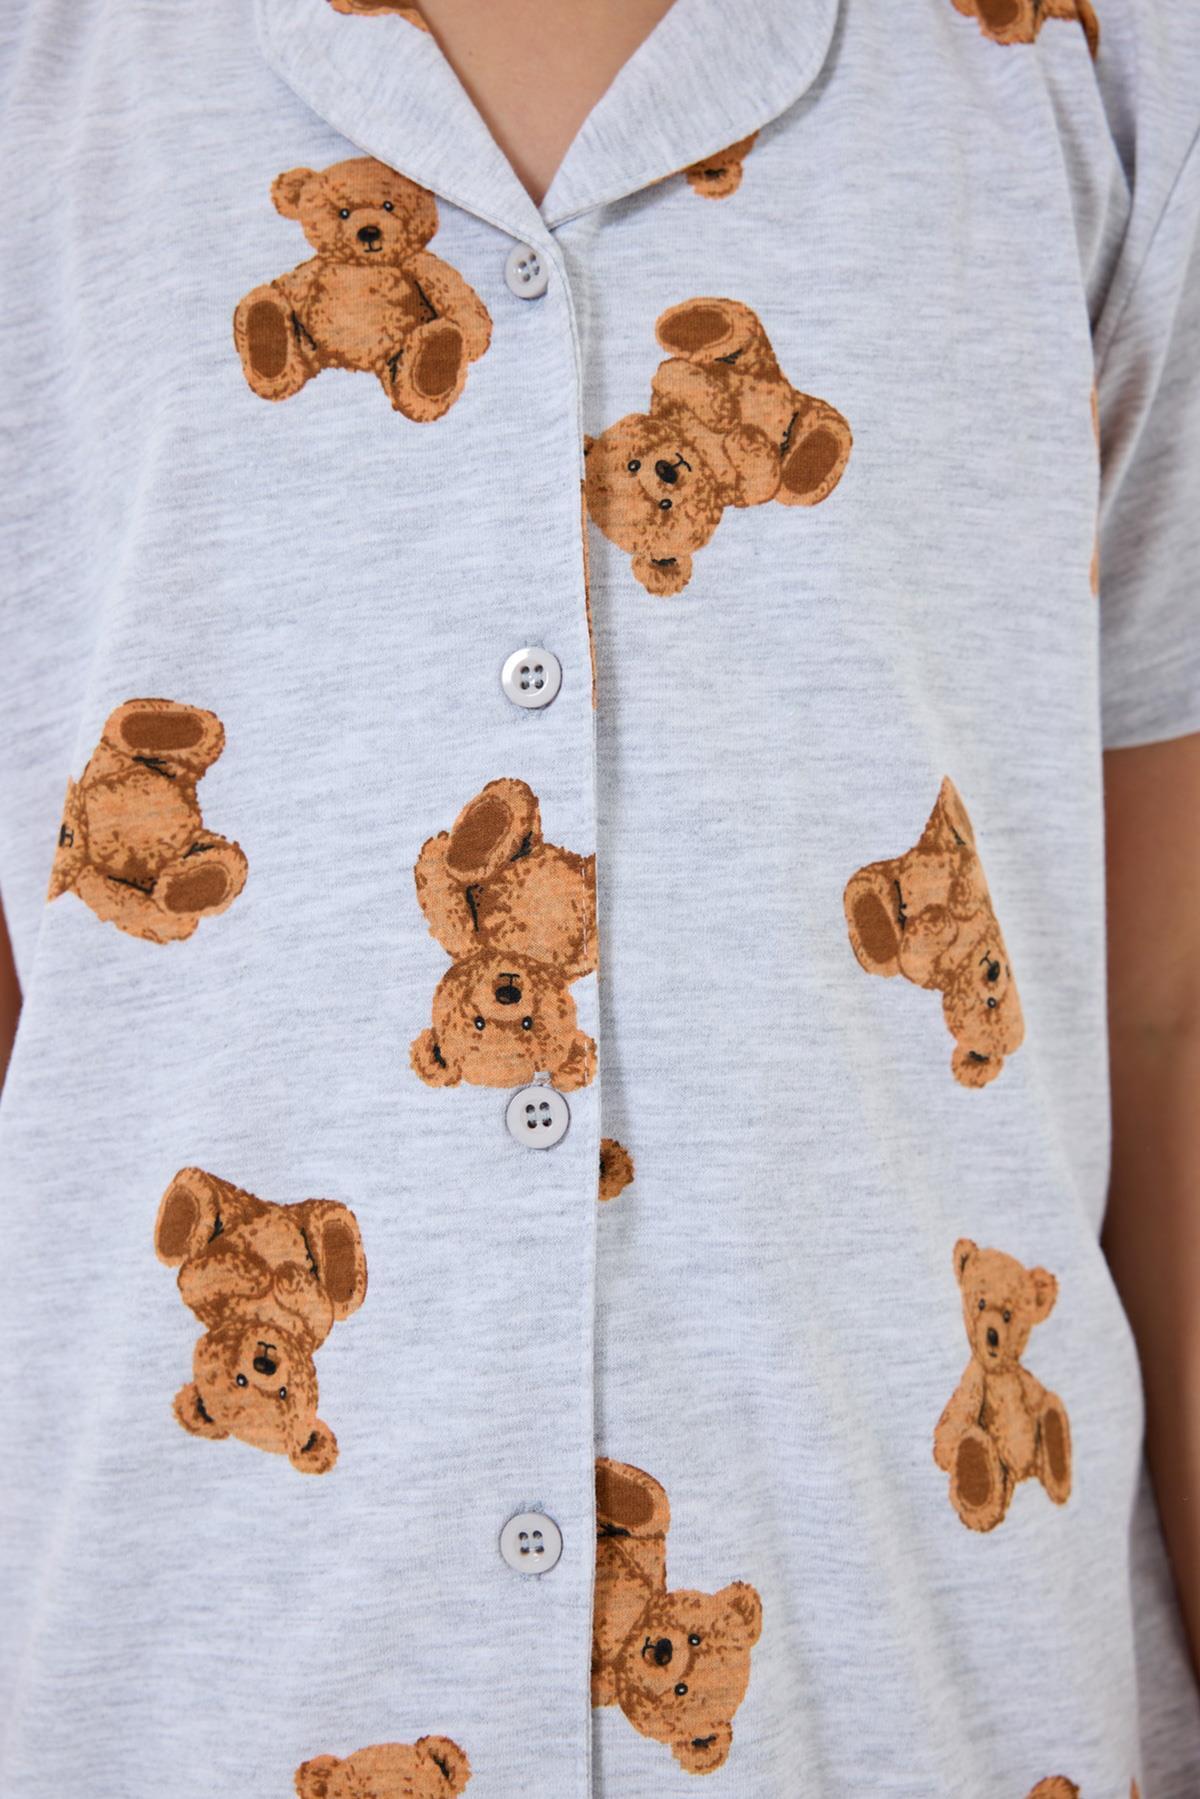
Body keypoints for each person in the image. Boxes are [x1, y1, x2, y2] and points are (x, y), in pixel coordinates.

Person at [0, 0, 1197, 1793]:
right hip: (181, 1700)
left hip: (931, 1706)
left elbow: (1169, 1016)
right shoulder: (48, 75)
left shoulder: (1084, 65)